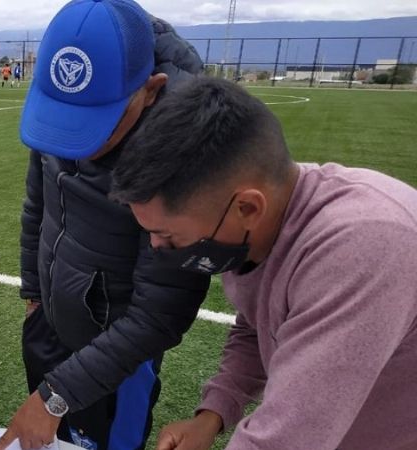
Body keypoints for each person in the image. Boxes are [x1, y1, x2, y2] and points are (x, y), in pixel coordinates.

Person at [111, 77, 417, 450]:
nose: (157, 247)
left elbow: (292, 433)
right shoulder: (259, 221)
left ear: (248, 207)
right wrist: (213, 414)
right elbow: (260, 325)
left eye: (170, 237)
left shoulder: (364, 246)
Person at [0, 1, 206, 450]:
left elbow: (162, 311)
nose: (76, 142)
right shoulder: (61, 107)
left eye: (100, 124)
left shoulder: (186, 155)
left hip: (119, 353)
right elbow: (39, 203)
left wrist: (56, 396)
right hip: (49, 320)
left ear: (151, 90)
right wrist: (34, 294)